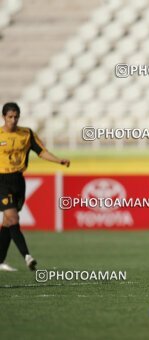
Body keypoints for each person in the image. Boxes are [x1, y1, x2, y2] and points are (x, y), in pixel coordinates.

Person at [0, 102, 70, 271]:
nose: (13, 120)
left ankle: (0, 261)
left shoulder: (26, 134)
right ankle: (27, 256)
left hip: (18, 181)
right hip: (1, 180)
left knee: (8, 222)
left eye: (16, 116)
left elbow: (41, 151)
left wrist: (59, 160)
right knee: (13, 218)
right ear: (4, 117)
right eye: (10, 117)